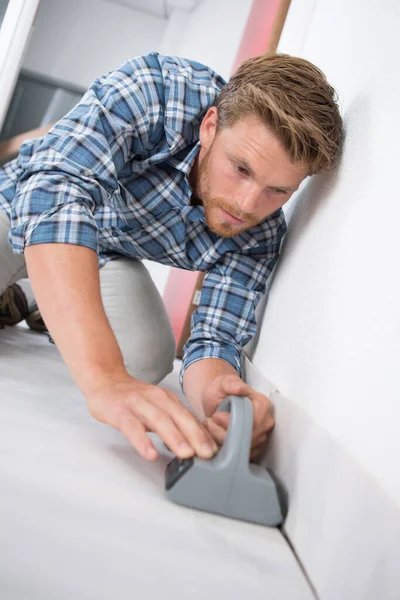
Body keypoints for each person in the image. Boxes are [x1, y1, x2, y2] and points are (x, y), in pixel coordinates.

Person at [0, 52, 343, 462]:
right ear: (211, 126)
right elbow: (55, 197)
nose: (247, 204)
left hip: (108, 252)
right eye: (241, 168)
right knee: (105, 359)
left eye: (278, 191)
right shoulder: (156, 91)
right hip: (19, 206)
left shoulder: (261, 235)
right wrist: (103, 377)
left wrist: (220, 396)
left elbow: (216, 338)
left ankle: (34, 295)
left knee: (145, 359)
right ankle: (33, 283)